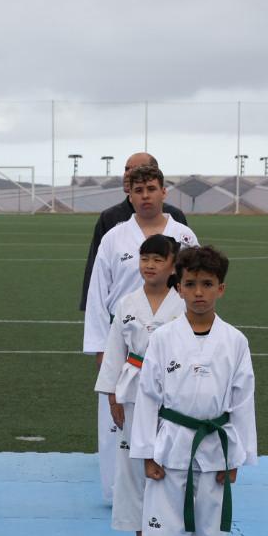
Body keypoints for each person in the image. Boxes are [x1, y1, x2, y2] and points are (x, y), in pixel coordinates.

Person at [129, 245, 256, 536]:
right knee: (164, 535)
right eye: (190, 284)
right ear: (178, 288)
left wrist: (236, 456)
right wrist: (146, 452)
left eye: (207, 284)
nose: (198, 292)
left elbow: (242, 400)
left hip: (215, 447)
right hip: (170, 447)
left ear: (222, 289)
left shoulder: (235, 341)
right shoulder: (164, 338)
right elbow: (148, 395)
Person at [84, 163, 198, 503]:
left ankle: (171, 490)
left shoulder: (184, 237)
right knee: (118, 424)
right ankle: (118, 494)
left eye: (151, 189)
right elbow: (96, 296)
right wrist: (100, 349)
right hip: (125, 344)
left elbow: (196, 290)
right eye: (138, 190)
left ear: (165, 192)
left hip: (174, 348)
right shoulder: (113, 237)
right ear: (129, 195)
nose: (145, 196)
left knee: (173, 422)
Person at [94, 234, 183, 536]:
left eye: (158, 260)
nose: (150, 265)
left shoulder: (183, 303)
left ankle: (171, 535)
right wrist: (112, 397)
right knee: (134, 463)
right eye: (145, 259)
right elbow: (115, 352)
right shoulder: (128, 303)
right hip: (132, 387)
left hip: (173, 389)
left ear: (173, 265)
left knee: (172, 462)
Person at [78, 152, 189, 312]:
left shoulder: (176, 218)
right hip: (122, 314)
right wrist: (89, 302)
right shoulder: (110, 217)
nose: (128, 174)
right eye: (126, 168)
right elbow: (96, 267)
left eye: (136, 168)